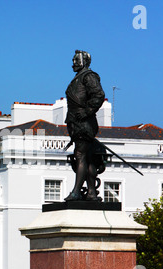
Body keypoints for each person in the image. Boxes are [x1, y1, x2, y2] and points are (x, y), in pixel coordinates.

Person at [64, 50, 105, 201]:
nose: (73, 63)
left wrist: (87, 111)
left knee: (80, 155)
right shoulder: (79, 78)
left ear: (83, 61)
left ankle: (76, 192)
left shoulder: (88, 76)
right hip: (76, 122)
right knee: (86, 157)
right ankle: (92, 193)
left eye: (76, 60)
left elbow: (99, 95)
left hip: (84, 122)